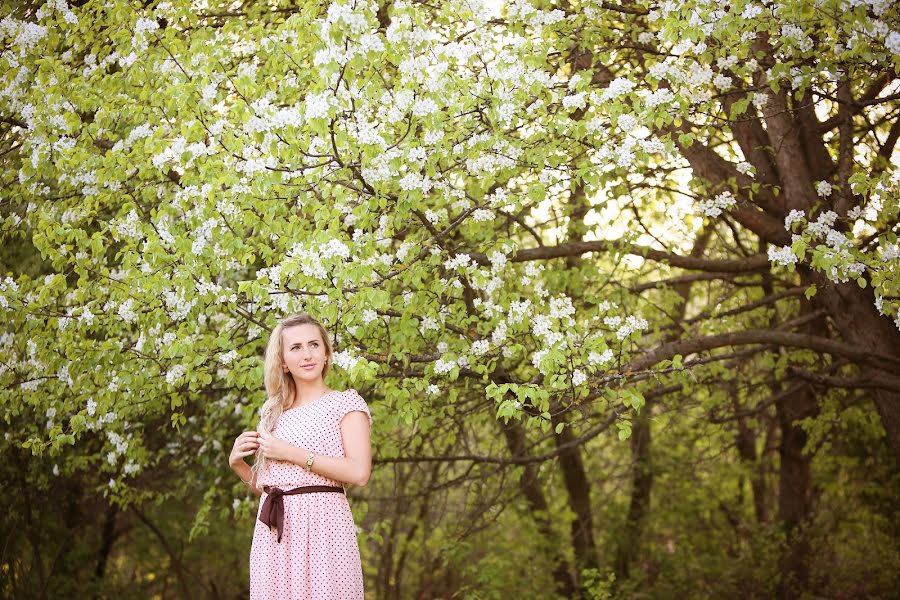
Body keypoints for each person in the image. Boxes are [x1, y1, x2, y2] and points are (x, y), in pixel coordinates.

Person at [228, 313, 372, 599]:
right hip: (274, 536)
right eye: (295, 348)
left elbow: (359, 473)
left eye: (314, 345)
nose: (307, 354)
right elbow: (272, 487)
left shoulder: (346, 403)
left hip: (323, 529)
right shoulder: (272, 411)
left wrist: (293, 454)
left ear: (327, 353)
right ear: (282, 361)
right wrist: (238, 465)